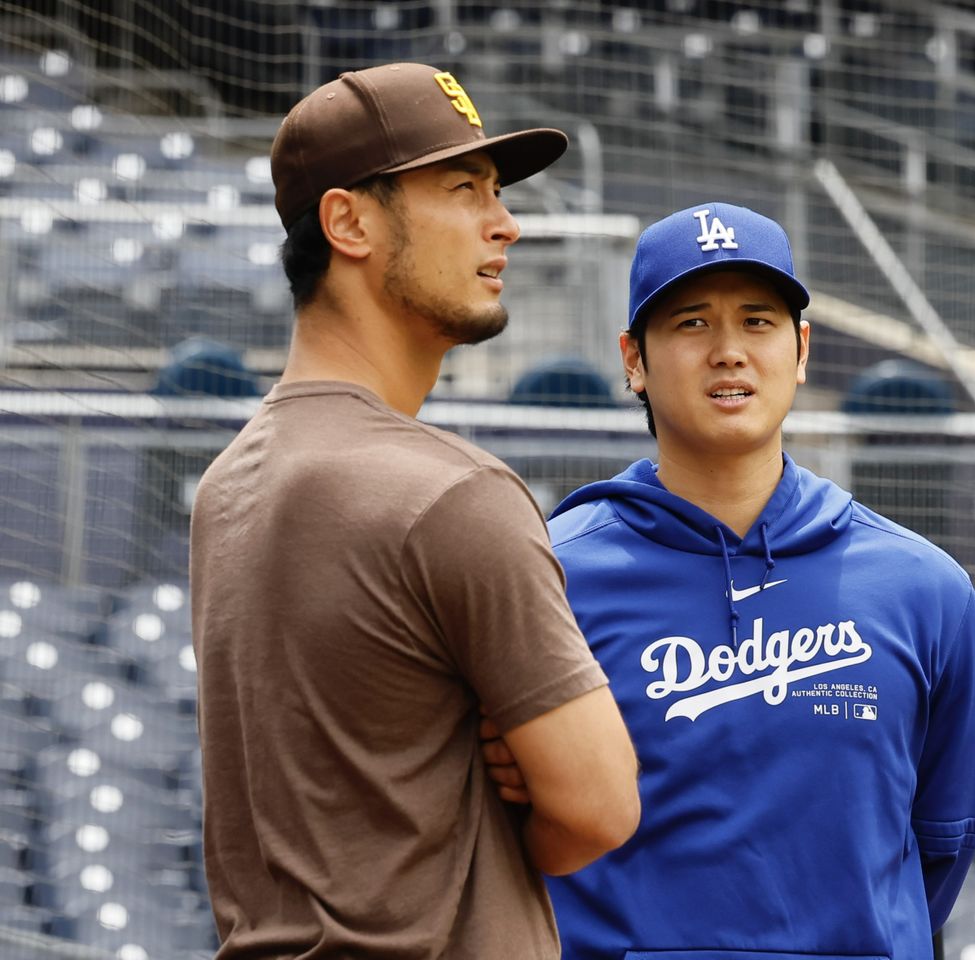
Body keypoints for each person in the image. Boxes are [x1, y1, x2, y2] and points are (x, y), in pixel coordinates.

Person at [189, 62, 640, 959]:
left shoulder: (226, 485)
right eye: (463, 189)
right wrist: (506, 798)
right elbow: (600, 805)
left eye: (496, 192)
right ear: (349, 221)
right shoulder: (451, 494)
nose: (504, 223)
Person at [484, 202, 975, 959]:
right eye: (691, 323)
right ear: (633, 358)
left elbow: (937, 850)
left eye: (758, 321)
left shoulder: (925, 590)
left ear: (801, 348)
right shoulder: (546, 577)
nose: (729, 351)